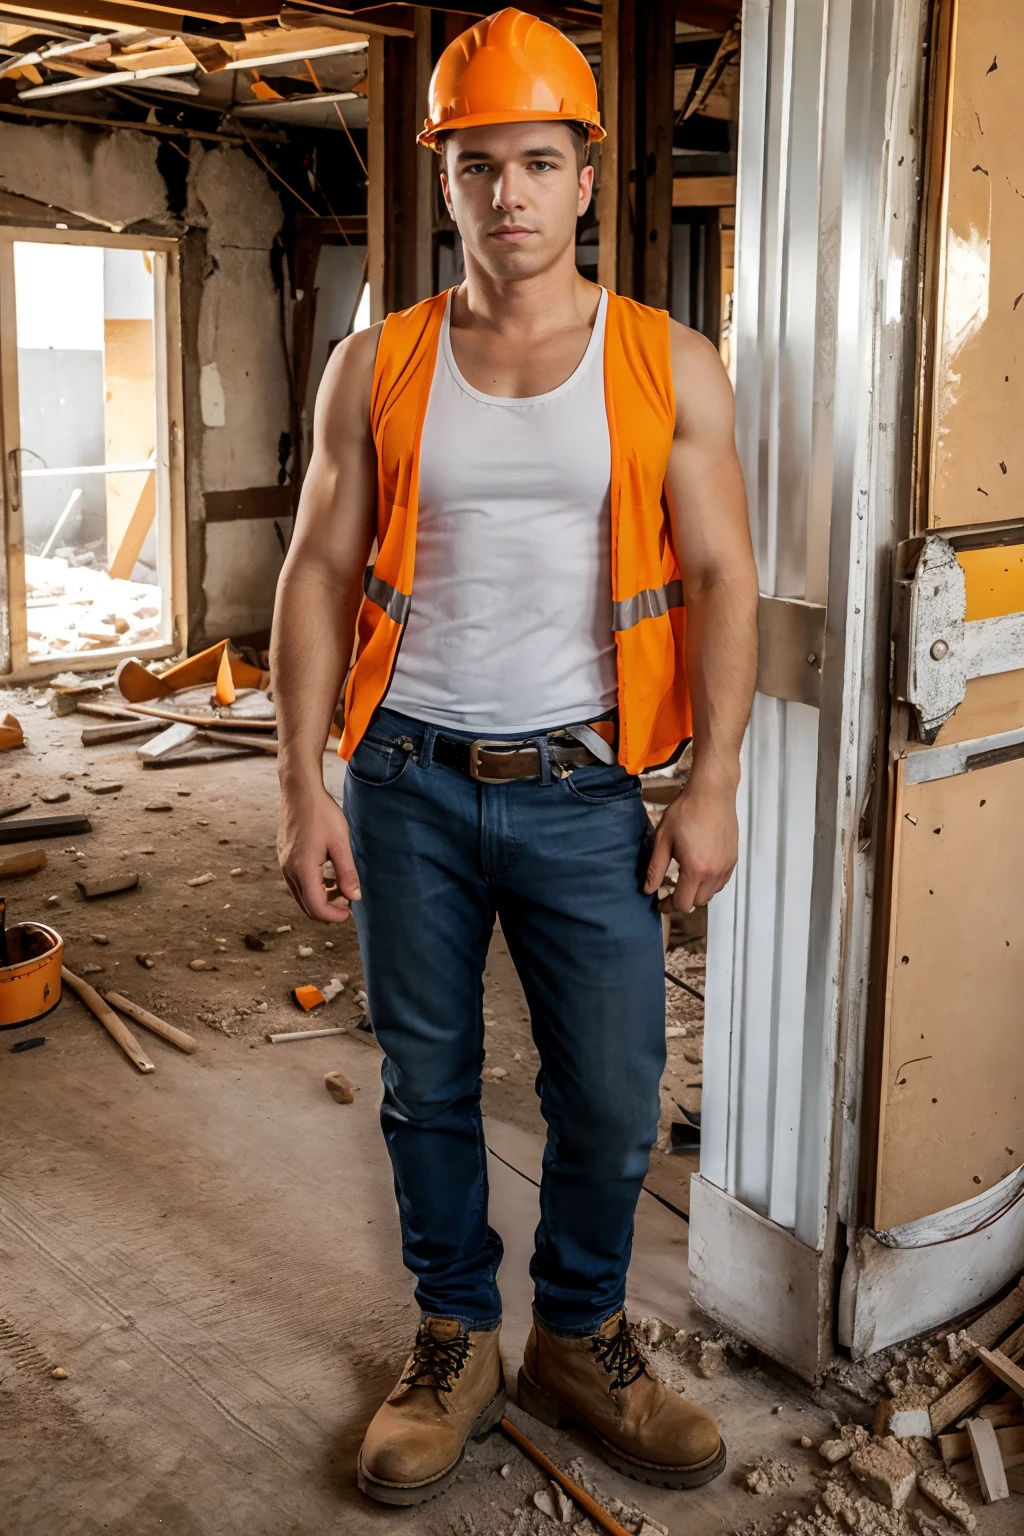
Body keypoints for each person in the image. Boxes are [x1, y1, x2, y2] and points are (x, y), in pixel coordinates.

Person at [271, 5, 758, 1509]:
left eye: (537, 164)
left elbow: (728, 576)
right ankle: (456, 1338)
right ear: (447, 178)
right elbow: (314, 569)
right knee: (426, 1083)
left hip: (587, 790)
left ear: (587, 179)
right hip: (406, 780)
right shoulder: (381, 364)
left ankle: (584, 1332)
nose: (509, 197)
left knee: (611, 1090)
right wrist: (302, 782)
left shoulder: (669, 361)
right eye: (480, 169)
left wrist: (715, 780)